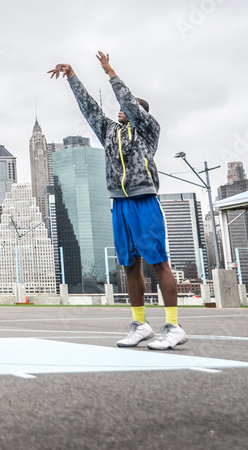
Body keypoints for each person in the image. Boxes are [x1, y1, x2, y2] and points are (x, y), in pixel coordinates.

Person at [49, 51, 186, 350]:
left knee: (159, 262)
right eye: (123, 108)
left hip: (144, 200)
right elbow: (90, 109)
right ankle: (141, 324)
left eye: (130, 107)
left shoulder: (148, 131)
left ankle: (173, 326)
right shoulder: (110, 131)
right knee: (129, 265)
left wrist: (110, 71)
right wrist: (72, 76)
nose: (122, 110)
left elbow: (127, 101)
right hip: (118, 203)